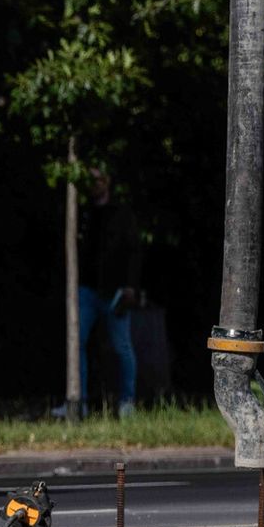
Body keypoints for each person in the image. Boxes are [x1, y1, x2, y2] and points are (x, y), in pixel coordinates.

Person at [78, 165, 144, 414]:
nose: (95, 185)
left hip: (114, 291)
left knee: (122, 346)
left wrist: (130, 286)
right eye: (91, 180)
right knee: (78, 343)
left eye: (99, 180)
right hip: (86, 289)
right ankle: (79, 402)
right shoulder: (84, 214)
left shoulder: (121, 214)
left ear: (108, 181)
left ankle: (127, 402)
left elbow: (133, 252)